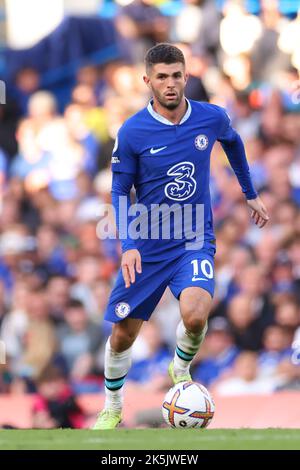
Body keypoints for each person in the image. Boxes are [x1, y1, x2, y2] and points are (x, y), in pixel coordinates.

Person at [92, 43, 269, 430]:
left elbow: (235, 144)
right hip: (148, 241)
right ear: (148, 81)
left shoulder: (210, 117)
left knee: (194, 314)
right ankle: (112, 405)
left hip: (194, 238)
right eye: (162, 77)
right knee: (123, 336)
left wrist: (249, 193)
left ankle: (181, 365)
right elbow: (120, 192)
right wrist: (128, 246)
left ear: (186, 76)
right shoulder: (133, 130)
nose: (170, 84)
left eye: (176, 76)